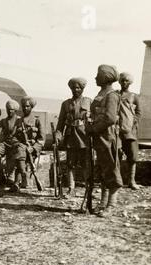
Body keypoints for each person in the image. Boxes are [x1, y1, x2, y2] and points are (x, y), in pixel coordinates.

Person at [86, 65, 123, 217]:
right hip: (100, 138)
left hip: (108, 137)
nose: (95, 78)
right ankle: (102, 203)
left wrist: (93, 128)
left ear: (105, 77)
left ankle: (111, 205)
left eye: (98, 75)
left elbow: (110, 118)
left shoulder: (112, 95)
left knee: (111, 169)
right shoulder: (102, 93)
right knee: (102, 170)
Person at [55, 78, 92, 197]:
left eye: (78, 88)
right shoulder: (66, 104)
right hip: (71, 137)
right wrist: (58, 135)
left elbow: (95, 119)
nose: (75, 90)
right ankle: (71, 189)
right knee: (70, 163)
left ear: (82, 89)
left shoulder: (88, 102)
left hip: (84, 136)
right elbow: (60, 122)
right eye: (73, 88)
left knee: (86, 163)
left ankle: (88, 189)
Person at [8, 96, 44, 188]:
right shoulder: (19, 121)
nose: (25, 108)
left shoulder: (37, 120)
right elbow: (13, 137)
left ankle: (17, 181)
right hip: (21, 147)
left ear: (31, 107)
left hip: (33, 149)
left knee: (20, 155)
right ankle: (23, 176)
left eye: (27, 106)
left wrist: (33, 148)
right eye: (23, 106)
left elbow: (41, 139)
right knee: (20, 151)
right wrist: (18, 144)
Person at [118, 72, 142, 190]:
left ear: (130, 82)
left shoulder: (134, 96)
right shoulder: (115, 95)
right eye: (122, 80)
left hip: (130, 131)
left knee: (132, 156)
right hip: (116, 130)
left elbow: (138, 112)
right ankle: (117, 182)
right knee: (116, 155)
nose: (124, 83)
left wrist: (133, 123)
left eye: (127, 81)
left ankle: (131, 181)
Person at [0, 99, 20, 185]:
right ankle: (2, 176)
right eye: (8, 109)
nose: (9, 111)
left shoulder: (20, 121)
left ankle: (11, 176)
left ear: (15, 110)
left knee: (14, 157)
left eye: (11, 109)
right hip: (4, 144)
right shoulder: (3, 121)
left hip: (15, 144)